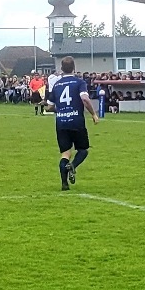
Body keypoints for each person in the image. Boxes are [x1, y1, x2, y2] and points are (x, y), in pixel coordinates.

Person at [50, 56, 99, 190]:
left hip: (61, 122)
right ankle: (72, 166)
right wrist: (93, 114)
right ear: (74, 68)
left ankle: (64, 184)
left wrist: (60, 109)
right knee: (83, 150)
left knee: (65, 154)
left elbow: (49, 106)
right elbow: (85, 99)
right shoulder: (79, 82)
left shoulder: (57, 85)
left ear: (61, 68)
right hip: (76, 121)